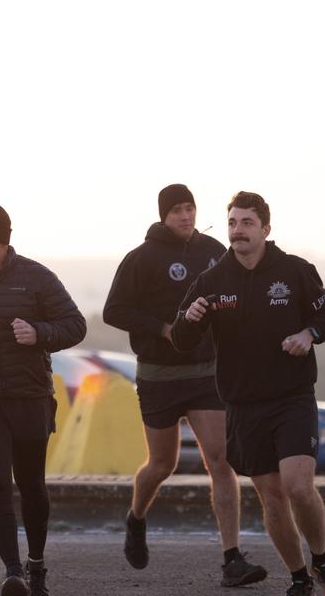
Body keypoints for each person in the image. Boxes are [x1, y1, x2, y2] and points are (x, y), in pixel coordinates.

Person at [172, 191, 325, 596]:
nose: (238, 231)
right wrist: (190, 318)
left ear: (266, 229)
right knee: (272, 497)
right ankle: (300, 577)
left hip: (291, 397)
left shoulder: (294, 270)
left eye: (247, 223)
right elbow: (183, 339)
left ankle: (323, 561)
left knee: (298, 486)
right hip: (242, 403)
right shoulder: (212, 280)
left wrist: (309, 334)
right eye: (233, 223)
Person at [103, 184, 265, 586]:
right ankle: (136, 517)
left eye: (190, 208)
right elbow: (113, 310)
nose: (186, 216)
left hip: (205, 373)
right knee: (162, 465)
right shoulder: (140, 259)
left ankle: (232, 558)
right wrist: (163, 328)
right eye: (177, 210)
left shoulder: (213, 250)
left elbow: (235, 294)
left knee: (220, 461)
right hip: (158, 375)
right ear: (163, 215)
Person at [0, 202, 88, 596]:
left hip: (29, 396)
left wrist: (39, 333)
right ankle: (14, 572)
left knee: (31, 484)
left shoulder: (37, 277)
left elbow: (75, 325)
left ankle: (36, 564)